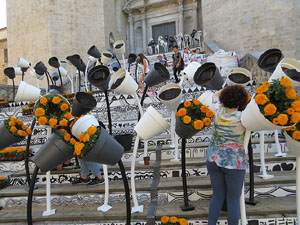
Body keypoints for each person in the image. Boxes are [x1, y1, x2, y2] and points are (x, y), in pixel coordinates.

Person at [207, 85, 249, 225]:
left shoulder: (217, 110)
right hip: (234, 162)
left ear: (224, 98)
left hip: (214, 158)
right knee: (233, 199)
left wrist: (225, 88)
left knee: (217, 196)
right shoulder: (244, 117)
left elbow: (214, 96)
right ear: (242, 100)